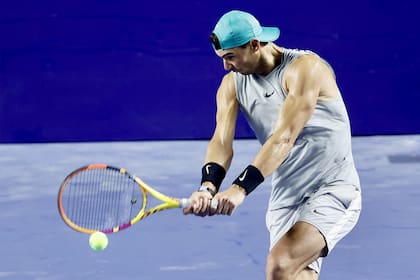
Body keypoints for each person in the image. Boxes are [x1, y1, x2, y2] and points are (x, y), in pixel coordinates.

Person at [183, 10, 362, 280]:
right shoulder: (230, 85)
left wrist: (239, 189)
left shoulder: (305, 68)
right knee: (290, 275)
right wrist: (207, 188)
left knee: (279, 265)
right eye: (222, 58)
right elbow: (221, 141)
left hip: (332, 187)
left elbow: (284, 137)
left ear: (255, 45)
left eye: (230, 56)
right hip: (286, 196)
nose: (226, 66)